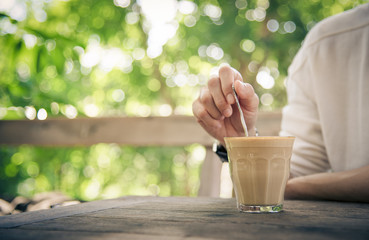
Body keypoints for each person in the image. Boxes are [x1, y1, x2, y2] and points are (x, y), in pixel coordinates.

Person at [192, 3, 369, 203]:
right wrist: (243, 141)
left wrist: (291, 188)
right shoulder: (325, 46)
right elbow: (287, 179)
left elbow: (286, 187)